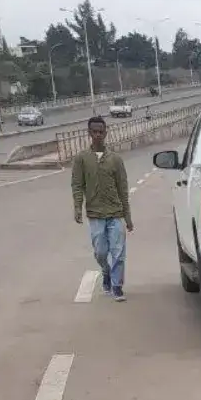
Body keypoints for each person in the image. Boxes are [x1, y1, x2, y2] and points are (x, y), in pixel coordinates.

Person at [71, 116, 133, 299]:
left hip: (115, 213)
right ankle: (106, 271)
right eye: (94, 132)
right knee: (100, 252)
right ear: (89, 133)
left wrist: (128, 217)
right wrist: (77, 207)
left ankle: (117, 286)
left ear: (106, 133)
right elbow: (77, 185)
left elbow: (123, 189)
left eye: (101, 131)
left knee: (118, 252)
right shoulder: (82, 159)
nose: (98, 135)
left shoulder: (115, 159)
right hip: (95, 214)